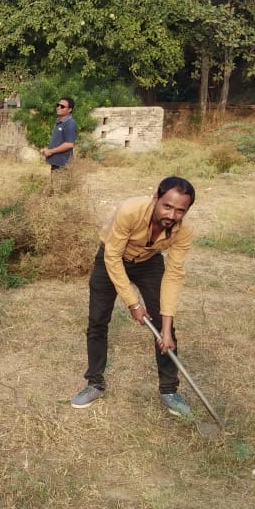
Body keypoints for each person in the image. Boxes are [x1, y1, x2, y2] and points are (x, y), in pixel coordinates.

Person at [70, 176, 197, 418]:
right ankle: (95, 383)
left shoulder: (184, 233)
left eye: (180, 211)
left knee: (163, 325)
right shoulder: (129, 211)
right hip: (110, 258)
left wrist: (167, 328)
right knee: (97, 322)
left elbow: (174, 277)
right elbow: (113, 258)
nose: (171, 215)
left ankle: (169, 391)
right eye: (167, 206)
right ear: (156, 198)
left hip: (149, 263)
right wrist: (133, 303)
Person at [44, 96, 78, 186]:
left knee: (60, 189)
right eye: (58, 105)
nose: (58, 107)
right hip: (57, 162)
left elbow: (69, 144)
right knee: (55, 187)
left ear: (70, 109)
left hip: (63, 164)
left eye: (62, 106)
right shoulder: (59, 121)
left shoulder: (70, 124)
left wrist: (51, 151)